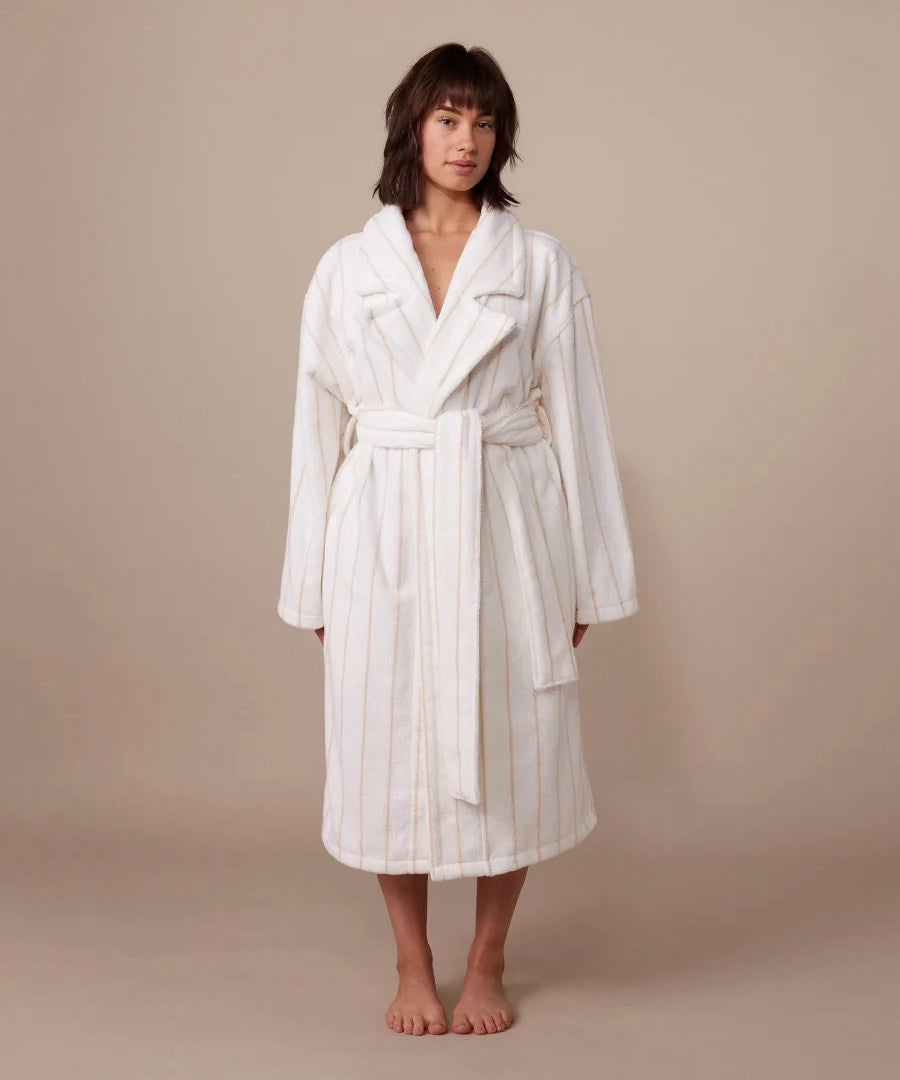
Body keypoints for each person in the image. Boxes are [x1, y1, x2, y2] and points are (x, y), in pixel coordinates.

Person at [277, 43, 639, 1036]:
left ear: (500, 138)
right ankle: (411, 961)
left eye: (484, 122)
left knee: (511, 741)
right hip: (383, 527)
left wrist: (586, 581)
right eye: (447, 118)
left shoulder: (539, 264)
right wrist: (315, 581)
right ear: (412, 126)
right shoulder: (348, 268)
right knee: (384, 742)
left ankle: (487, 959)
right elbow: (315, 428)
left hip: (503, 523)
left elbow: (582, 422)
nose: (466, 140)